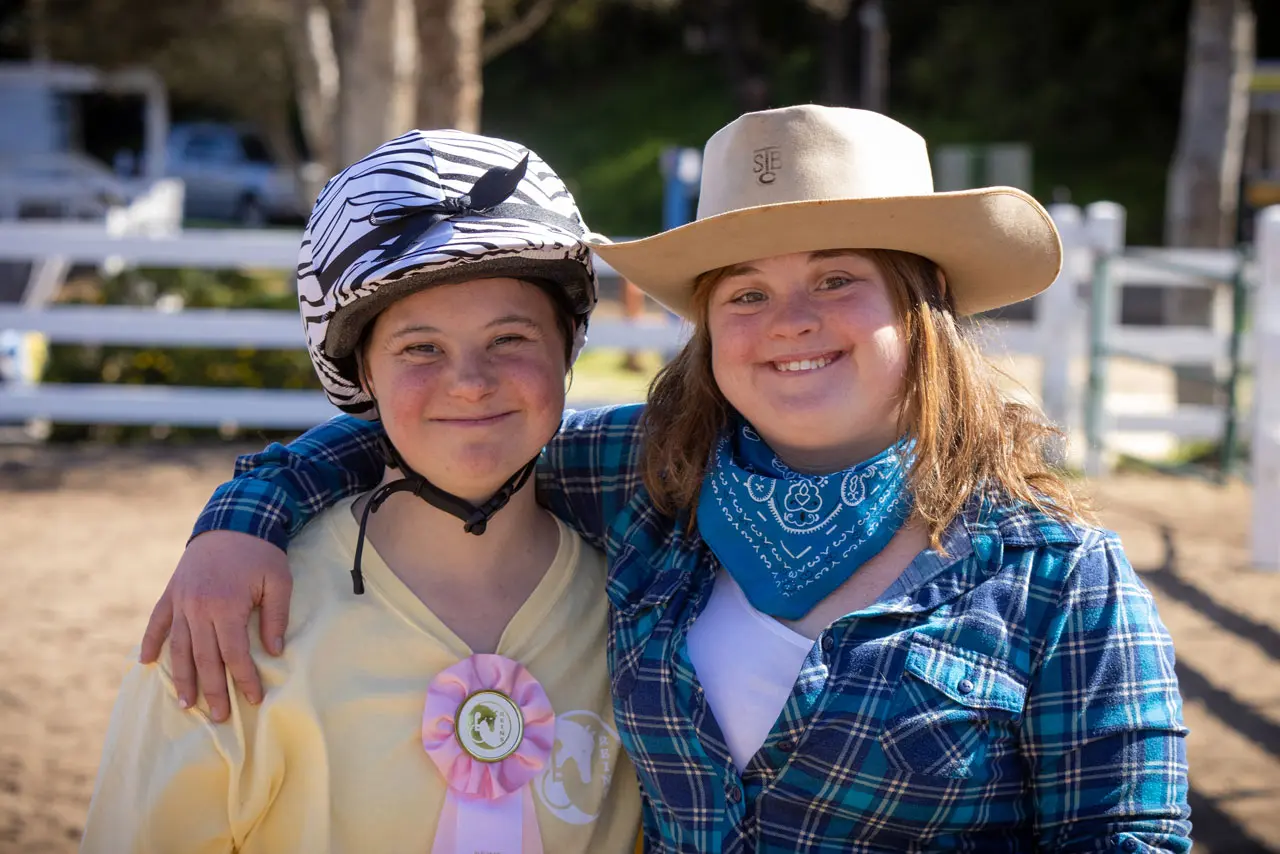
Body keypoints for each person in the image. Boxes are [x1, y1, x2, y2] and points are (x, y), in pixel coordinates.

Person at [138, 107, 1191, 852]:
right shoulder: (654, 480)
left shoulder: (1057, 574)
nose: (790, 321)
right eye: (745, 292)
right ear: (708, 329)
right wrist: (245, 517)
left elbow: (1128, 833)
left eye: (836, 279)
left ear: (919, 311)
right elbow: (447, 423)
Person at [80, 130, 642, 853]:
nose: (470, 382)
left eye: (511, 339)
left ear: (569, 347)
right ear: (363, 372)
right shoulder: (227, 634)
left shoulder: (637, 618)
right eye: (420, 348)